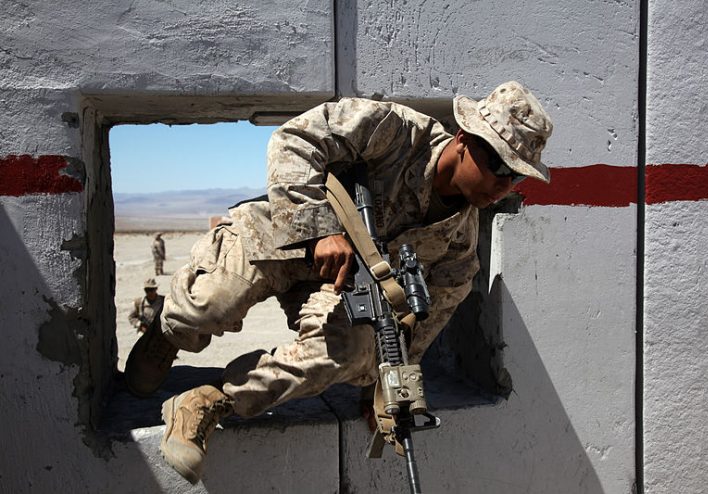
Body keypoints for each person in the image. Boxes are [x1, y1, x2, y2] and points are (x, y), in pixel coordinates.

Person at [124, 81, 553, 483]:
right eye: (500, 166)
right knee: (208, 306)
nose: (504, 186)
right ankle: (169, 331)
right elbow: (295, 140)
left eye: (516, 177)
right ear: (465, 139)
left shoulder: (460, 240)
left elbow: (427, 318)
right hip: (280, 236)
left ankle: (208, 400)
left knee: (354, 355)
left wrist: (386, 387)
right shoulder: (396, 130)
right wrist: (319, 229)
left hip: (341, 285)